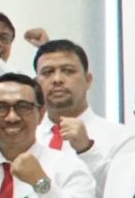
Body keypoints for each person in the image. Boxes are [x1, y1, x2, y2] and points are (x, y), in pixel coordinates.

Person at [34, 39, 118, 179]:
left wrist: (86, 149)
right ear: (36, 85)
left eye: (68, 71)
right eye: (48, 72)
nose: (57, 79)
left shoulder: (119, 139)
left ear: (88, 80)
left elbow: (118, 190)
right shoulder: (26, 139)